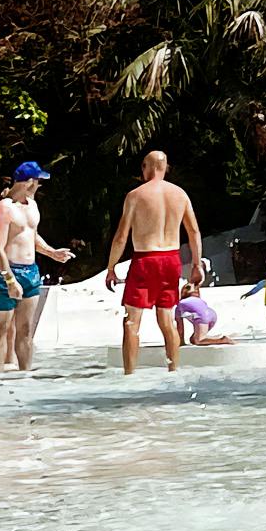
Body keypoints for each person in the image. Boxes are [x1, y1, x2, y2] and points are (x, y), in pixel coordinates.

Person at [105, 150, 203, 380]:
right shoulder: (180, 194)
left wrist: (111, 267)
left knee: (131, 321)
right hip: (171, 259)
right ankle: (173, 371)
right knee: (166, 319)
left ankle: (129, 375)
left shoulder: (136, 195)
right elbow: (194, 231)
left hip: (145, 259)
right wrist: (197, 263)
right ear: (165, 167)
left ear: (145, 167)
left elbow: (121, 236)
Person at [0, 165, 71, 375]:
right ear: (28, 181)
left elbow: (31, 236)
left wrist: (52, 252)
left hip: (31, 272)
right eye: (38, 181)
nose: (38, 185)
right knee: (0, 329)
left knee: (26, 330)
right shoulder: (4, 208)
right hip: (9, 272)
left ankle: (26, 375)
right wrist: (9, 279)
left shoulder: (33, 206)